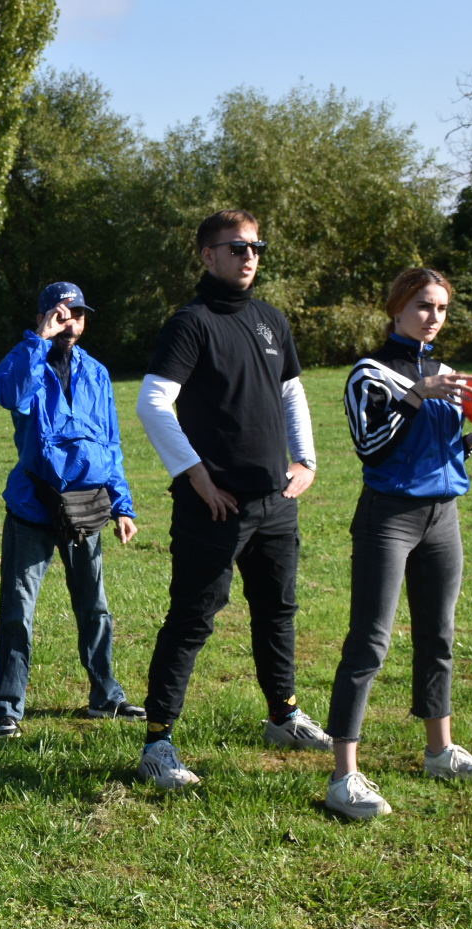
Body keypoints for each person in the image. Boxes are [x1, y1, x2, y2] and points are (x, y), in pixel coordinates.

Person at [135, 210, 328, 790]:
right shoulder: (190, 324)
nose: (249, 256)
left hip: (275, 500)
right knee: (193, 619)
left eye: (256, 246)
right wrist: (196, 476)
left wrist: (307, 460)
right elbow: (153, 402)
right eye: (236, 247)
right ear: (207, 256)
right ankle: (158, 743)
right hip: (214, 506)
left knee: (278, 610)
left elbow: (292, 393)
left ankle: (284, 715)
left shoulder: (271, 320)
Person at [322, 269, 472, 820]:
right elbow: (371, 448)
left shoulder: (448, 372)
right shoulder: (371, 373)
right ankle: (343, 777)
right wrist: (416, 395)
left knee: (439, 634)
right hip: (389, 518)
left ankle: (439, 751)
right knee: (369, 642)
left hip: (442, 517)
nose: (434, 317)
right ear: (397, 307)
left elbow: (443, 451)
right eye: (425, 305)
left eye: (443, 308)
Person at [0, 283, 143, 740]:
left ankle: (105, 697)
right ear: (44, 316)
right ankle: (6, 710)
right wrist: (39, 338)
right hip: (34, 507)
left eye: (78, 313)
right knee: (18, 611)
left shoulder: (97, 373)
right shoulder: (26, 362)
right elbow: (10, 396)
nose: (70, 321)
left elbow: (110, 442)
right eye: (61, 313)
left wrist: (122, 505)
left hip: (86, 509)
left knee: (95, 609)